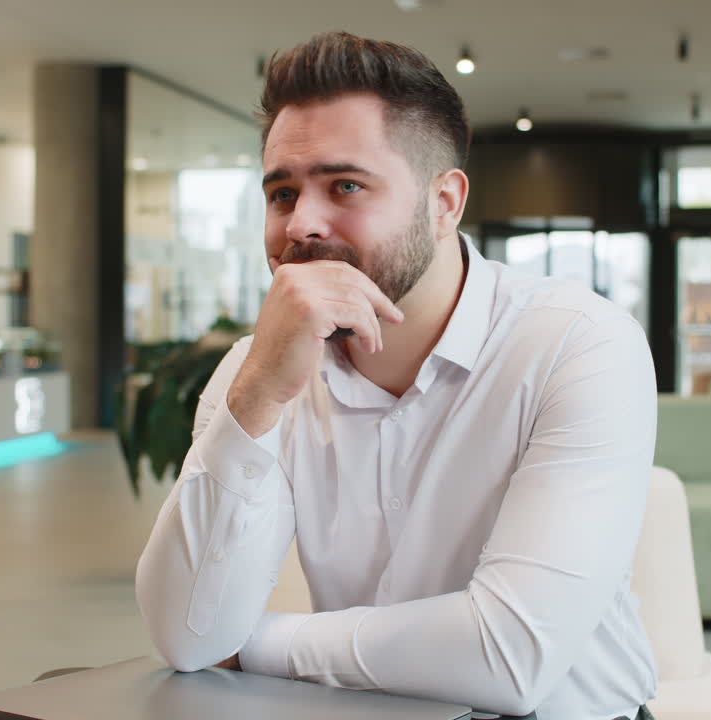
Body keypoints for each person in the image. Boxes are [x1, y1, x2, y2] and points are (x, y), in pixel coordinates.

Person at [136, 31, 658, 720]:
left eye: (345, 185)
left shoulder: (578, 344)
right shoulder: (259, 369)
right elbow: (186, 634)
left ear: (444, 204)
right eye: (282, 193)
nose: (303, 224)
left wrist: (255, 644)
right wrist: (256, 395)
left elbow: (510, 654)